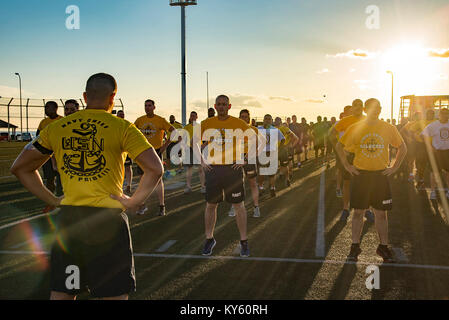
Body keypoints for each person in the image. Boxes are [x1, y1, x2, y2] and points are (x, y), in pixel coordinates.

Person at [11, 73, 163, 300]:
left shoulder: (57, 127)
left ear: (84, 96)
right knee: (112, 294)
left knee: (63, 293)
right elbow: (156, 169)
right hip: (108, 221)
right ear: (113, 97)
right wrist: (134, 201)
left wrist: (52, 199)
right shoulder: (123, 127)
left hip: (69, 221)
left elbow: (20, 167)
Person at [336, 98, 407, 263]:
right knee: (358, 212)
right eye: (371, 108)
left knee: (381, 214)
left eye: (378, 108)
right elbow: (340, 146)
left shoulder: (388, 128)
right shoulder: (355, 128)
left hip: (380, 176)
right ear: (366, 110)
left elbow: (402, 147)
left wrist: (395, 167)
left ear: (380, 110)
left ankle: (383, 247)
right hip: (361, 175)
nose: (375, 111)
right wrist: (347, 166)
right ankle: (355, 246)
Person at [198, 95, 256, 257]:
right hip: (213, 169)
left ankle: (244, 241)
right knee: (211, 205)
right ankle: (209, 239)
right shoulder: (207, 124)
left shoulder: (238, 123)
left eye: (224, 104)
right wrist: (201, 161)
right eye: (219, 104)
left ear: (229, 106)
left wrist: (245, 159)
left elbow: (257, 140)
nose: (222, 107)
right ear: (215, 106)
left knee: (239, 205)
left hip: (232, 169)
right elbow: (194, 141)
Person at [329, 99, 373, 223]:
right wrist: (340, 149)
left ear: (363, 107)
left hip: (363, 155)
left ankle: (367, 210)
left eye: (360, 105)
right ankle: (345, 209)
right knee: (347, 182)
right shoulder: (345, 120)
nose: (358, 107)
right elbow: (331, 134)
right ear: (352, 108)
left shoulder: (368, 119)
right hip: (349, 156)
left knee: (365, 183)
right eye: (355, 105)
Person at [134, 99, 175, 216]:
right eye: (145, 105)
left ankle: (162, 206)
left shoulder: (160, 120)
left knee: (158, 180)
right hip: (143, 151)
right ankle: (142, 205)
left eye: (149, 105)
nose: (147, 107)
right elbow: (131, 132)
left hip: (156, 151)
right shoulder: (139, 120)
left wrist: (165, 146)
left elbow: (174, 131)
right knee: (143, 180)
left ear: (154, 107)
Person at [229, 109, 262, 218]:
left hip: (249, 159)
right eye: (241, 116)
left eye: (245, 117)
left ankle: (256, 207)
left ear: (249, 118)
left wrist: (252, 155)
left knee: (252, 183)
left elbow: (261, 144)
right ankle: (234, 206)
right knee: (236, 183)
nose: (243, 118)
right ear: (239, 118)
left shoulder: (254, 129)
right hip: (237, 158)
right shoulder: (235, 130)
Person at [36, 101, 63, 213]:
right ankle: (50, 203)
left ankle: (63, 203)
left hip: (60, 156)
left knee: (62, 181)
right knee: (49, 179)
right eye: (45, 107)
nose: (46, 109)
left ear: (55, 108)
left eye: (48, 107)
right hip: (47, 156)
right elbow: (38, 137)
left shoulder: (62, 120)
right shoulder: (43, 122)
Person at [421, 108, 449, 200]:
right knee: (434, 172)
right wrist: (430, 147)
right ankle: (433, 192)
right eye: (443, 113)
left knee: (447, 173)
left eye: (447, 113)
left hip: (447, 152)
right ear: (439, 115)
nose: (445, 115)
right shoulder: (433, 125)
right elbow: (423, 135)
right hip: (437, 152)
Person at [406, 109, 435, 190]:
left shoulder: (436, 122)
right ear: (426, 114)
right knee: (421, 164)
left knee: (434, 166)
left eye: (432, 114)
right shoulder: (422, 122)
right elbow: (411, 130)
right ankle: (421, 181)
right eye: (429, 114)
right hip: (422, 145)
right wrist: (414, 137)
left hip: (434, 146)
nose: (430, 115)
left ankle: (434, 184)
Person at [257, 114, 285, 198]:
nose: (267, 120)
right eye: (266, 119)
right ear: (263, 120)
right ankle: (261, 188)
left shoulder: (275, 130)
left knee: (272, 173)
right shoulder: (258, 129)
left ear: (272, 121)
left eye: (269, 119)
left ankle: (272, 188)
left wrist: (279, 148)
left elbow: (283, 139)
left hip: (272, 153)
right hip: (262, 153)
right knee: (261, 172)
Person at [183, 111, 206, 194]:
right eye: (191, 116)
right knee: (189, 169)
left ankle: (203, 186)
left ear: (197, 117)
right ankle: (188, 186)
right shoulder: (186, 127)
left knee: (200, 168)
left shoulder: (200, 127)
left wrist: (203, 145)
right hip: (189, 149)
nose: (192, 117)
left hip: (198, 148)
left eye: (194, 116)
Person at [275, 117, 299, 186]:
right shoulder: (272, 129)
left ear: (280, 121)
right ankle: (280, 175)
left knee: (285, 165)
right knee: (276, 166)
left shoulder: (285, 128)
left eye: (278, 121)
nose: (276, 122)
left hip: (283, 150)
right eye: (276, 120)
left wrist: (289, 145)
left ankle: (287, 179)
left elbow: (295, 138)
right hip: (275, 150)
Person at [117, 110, 134, 195]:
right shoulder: (114, 125)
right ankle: (118, 186)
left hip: (126, 149)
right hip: (116, 149)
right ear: (117, 116)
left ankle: (128, 186)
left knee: (128, 167)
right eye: (120, 114)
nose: (122, 116)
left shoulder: (128, 124)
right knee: (118, 168)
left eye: (123, 114)